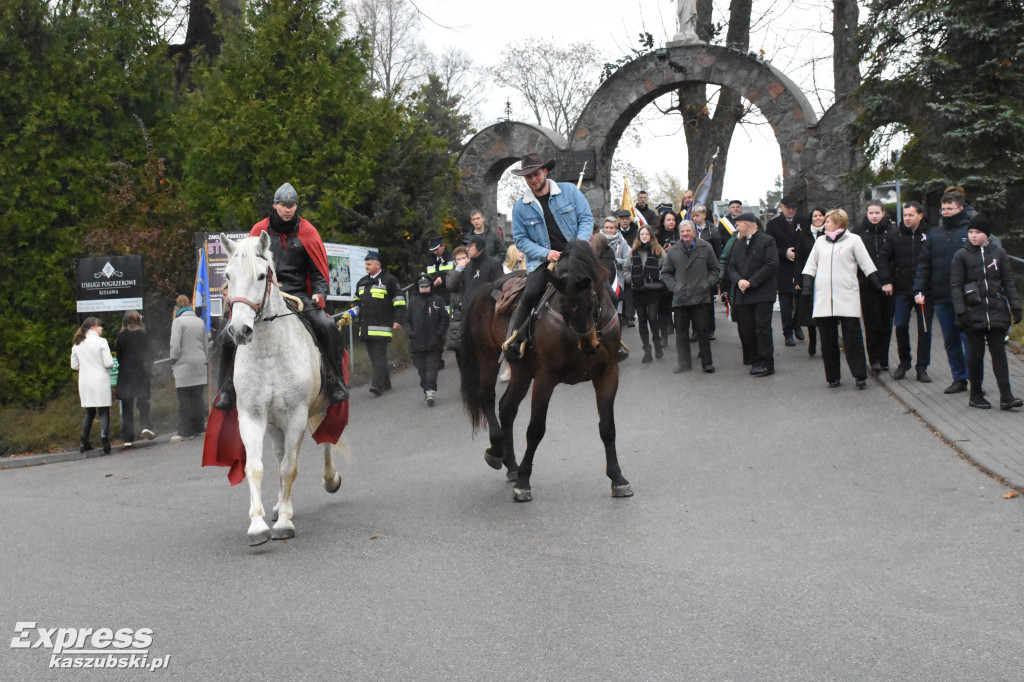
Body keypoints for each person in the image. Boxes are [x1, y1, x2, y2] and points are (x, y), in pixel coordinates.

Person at [213, 182, 347, 410]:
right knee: (227, 329)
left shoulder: (307, 232)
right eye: (284, 205)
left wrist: (319, 293)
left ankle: (334, 381)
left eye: (292, 205)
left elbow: (318, 272)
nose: (288, 209)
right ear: (275, 205)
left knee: (326, 325)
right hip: (262, 294)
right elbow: (245, 267)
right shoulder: (258, 231)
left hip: (296, 295)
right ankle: (226, 388)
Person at [504, 152, 594, 361]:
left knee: (606, 289)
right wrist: (546, 254)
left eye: (536, 174)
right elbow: (521, 240)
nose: (533, 180)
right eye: (528, 177)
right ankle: (516, 339)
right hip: (543, 262)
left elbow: (586, 219)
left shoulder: (570, 191)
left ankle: (611, 338)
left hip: (577, 256)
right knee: (530, 293)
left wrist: (576, 246)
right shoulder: (520, 207)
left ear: (545, 171)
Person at [950, 212, 1022, 410]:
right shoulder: (961, 255)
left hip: (996, 311)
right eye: (971, 232)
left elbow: (1008, 281)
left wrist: (1015, 305)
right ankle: (976, 394)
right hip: (973, 312)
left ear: (987, 234)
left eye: (978, 232)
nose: (973, 235)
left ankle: (1006, 395)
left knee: (999, 353)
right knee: (975, 354)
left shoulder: (998, 254)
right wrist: (961, 311)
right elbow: (956, 285)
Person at [802, 209, 881, 389]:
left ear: (839, 223)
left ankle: (860, 374)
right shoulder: (820, 242)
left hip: (847, 296)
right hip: (824, 298)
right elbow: (810, 265)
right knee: (828, 340)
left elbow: (866, 264)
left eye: (828, 221)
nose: (824, 223)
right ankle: (832, 376)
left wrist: (878, 285)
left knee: (852, 339)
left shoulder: (854, 240)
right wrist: (807, 286)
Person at [913, 190, 974, 394]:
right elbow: (924, 264)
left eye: (950, 209)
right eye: (944, 209)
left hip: (966, 296)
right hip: (941, 294)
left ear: (961, 208)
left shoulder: (970, 232)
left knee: (969, 340)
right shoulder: (935, 234)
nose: (946, 212)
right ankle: (959, 377)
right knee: (950, 339)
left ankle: (976, 377)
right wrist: (919, 288)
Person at [878, 201, 931, 381]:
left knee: (924, 329)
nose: (907, 218)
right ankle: (904, 361)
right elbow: (883, 259)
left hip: (924, 291)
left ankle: (922, 366)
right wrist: (886, 281)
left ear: (920, 216)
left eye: (911, 215)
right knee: (900, 325)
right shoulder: (895, 235)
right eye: (905, 215)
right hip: (901, 289)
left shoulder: (929, 235)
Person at [662, 220, 719, 373]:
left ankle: (707, 363)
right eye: (682, 232)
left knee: (703, 331)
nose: (685, 234)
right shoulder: (673, 250)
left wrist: (707, 284)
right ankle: (684, 364)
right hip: (681, 299)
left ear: (694, 231)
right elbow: (666, 273)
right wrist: (675, 287)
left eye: (688, 231)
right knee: (681, 334)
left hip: (701, 298)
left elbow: (715, 269)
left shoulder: (706, 247)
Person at [727, 212, 779, 376]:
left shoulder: (767, 241)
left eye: (738, 224)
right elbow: (731, 267)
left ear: (748, 224)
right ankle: (755, 360)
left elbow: (771, 264)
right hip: (743, 293)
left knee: (762, 328)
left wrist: (751, 281)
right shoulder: (737, 243)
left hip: (762, 292)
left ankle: (767, 363)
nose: (736, 228)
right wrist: (739, 281)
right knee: (746, 328)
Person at [351, 251, 405, 396]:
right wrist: (353, 312)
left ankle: (377, 385)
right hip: (366, 328)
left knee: (379, 356)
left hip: (382, 327)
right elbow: (356, 302)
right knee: (374, 357)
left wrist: (398, 320)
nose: (366, 266)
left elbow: (399, 302)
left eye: (369, 264)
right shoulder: (362, 282)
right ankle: (386, 383)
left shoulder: (389, 280)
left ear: (377, 264)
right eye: (365, 264)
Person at [853, 199, 897, 372]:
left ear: (883, 213)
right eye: (871, 213)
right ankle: (874, 359)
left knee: (886, 322)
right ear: (866, 214)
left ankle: (884, 358)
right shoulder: (858, 233)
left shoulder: (892, 232)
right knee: (872, 323)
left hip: (888, 284)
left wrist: (890, 278)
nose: (874, 216)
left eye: (877, 213)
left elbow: (895, 257)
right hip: (867, 284)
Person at [765, 196, 809, 347]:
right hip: (783, 268)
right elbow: (769, 247)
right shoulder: (773, 224)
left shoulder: (803, 222)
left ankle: (797, 324)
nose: (791, 211)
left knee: (802, 300)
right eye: (788, 208)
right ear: (782, 207)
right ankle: (788, 332)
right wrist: (784, 252)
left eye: (793, 208)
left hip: (801, 266)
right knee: (785, 302)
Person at [406, 274, 450, 406]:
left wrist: (440, 333)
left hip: (434, 342)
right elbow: (407, 320)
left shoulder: (438, 300)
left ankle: (430, 391)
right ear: (418, 288)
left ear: (430, 287)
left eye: (426, 286)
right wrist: (411, 333)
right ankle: (426, 388)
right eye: (422, 287)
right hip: (417, 343)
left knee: (432, 368)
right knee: (421, 369)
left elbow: (444, 318)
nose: (424, 289)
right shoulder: (413, 303)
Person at [71, 317, 114, 453]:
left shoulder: (77, 343)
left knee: (89, 412)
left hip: (84, 381)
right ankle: (105, 439)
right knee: (103, 410)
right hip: (100, 379)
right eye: (100, 326)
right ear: (93, 327)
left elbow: (74, 365)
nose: (102, 328)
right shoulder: (101, 342)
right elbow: (109, 363)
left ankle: (84, 442)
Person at [169, 295, 208, 441]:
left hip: (184, 364)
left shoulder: (178, 322)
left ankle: (185, 431)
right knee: (197, 397)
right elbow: (205, 344)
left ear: (177, 307)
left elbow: (175, 346)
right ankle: (199, 427)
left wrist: (173, 360)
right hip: (200, 362)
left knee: (184, 398)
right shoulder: (199, 321)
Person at [626, 224, 667, 363]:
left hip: (654, 290)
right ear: (639, 237)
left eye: (646, 234)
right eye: (642, 234)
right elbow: (626, 269)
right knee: (642, 320)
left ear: (651, 236)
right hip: (638, 290)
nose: (644, 236)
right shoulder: (633, 252)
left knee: (652, 318)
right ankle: (647, 349)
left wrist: (657, 278)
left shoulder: (658, 250)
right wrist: (631, 279)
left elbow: (666, 268)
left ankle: (657, 344)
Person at [114, 310, 155, 447]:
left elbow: (119, 357)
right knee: (143, 403)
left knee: (127, 407)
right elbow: (151, 354)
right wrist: (148, 368)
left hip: (126, 374)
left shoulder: (121, 337)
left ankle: (127, 438)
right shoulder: (145, 334)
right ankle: (145, 427)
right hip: (141, 373)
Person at [794, 207, 827, 356]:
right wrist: (798, 279)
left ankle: (825, 343)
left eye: (821, 215)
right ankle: (812, 340)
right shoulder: (804, 235)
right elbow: (799, 259)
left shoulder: (829, 234)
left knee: (824, 312)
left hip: (825, 278)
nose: (818, 218)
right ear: (811, 218)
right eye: (815, 216)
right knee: (809, 311)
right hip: (808, 279)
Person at [655, 210, 682, 340]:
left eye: (673, 220)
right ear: (663, 221)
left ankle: (679, 327)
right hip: (663, 272)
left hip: (679, 272)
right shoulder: (657, 236)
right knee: (663, 304)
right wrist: (664, 252)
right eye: (668, 220)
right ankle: (665, 331)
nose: (671, 222)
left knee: (678, 302)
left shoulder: (681, 234)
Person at [445, 246, 470, 370]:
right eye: (458, 259)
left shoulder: (473, 271)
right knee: (459, 350)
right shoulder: (452, 272)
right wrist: (459, 269)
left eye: (464, 258)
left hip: (471, 311)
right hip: (458, 315)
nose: (462, 260)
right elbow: (450, 285)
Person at [424, 236, 454, 305]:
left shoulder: (450, 258)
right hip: (434, 295)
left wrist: (442, 279)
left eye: (437, 249)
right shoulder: (430, 260)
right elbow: (425, 274)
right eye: (433, 250)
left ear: (443, 245)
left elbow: (453, 274)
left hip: (448, 295)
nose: (435, 252)